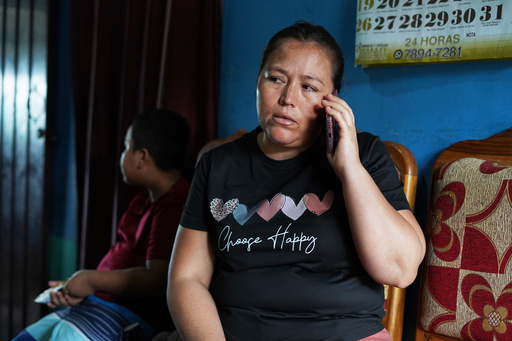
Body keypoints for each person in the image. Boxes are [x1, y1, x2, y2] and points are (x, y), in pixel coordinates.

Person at [168, 21, 426, 341]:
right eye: (276, 79)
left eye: (308, 87)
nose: (287, 98)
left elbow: (399, 270)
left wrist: (349, 170)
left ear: (332, 100)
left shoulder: (366, 155)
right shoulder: (218, 165)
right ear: (257, 82)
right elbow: (186, 279)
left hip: (344, 332)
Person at [14, 109, 191, 341]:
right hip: (97, 301)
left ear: (142, 157)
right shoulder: (143, 200)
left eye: (127, 147)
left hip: (128, 314)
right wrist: (80, 289)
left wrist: (89, 279)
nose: (123, 154)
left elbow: (155, 279)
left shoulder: (176, 203)